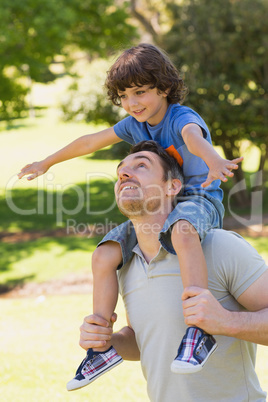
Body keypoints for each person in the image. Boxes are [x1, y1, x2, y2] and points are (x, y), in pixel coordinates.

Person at [18, 43, 243, 387]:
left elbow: (193, 138)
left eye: (140, 91)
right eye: (124, 95)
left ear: (164, 88)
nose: (132, 102)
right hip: (161, 205)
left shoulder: (179, 117)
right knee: (104, 253)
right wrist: (46, 162)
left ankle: (199, 331)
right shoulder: (135, 125)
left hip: (198, 199)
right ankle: (102, 347)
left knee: (182, 230)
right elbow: (91, 140)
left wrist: (213, 159)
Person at [78, 141, 268, 401]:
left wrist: (225, 321)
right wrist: (109, 341)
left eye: (141, 166)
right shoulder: (125, 264)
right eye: (120, 170)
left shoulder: (220, 247)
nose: (123, 174)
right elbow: (142, 340)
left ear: (172, 186)